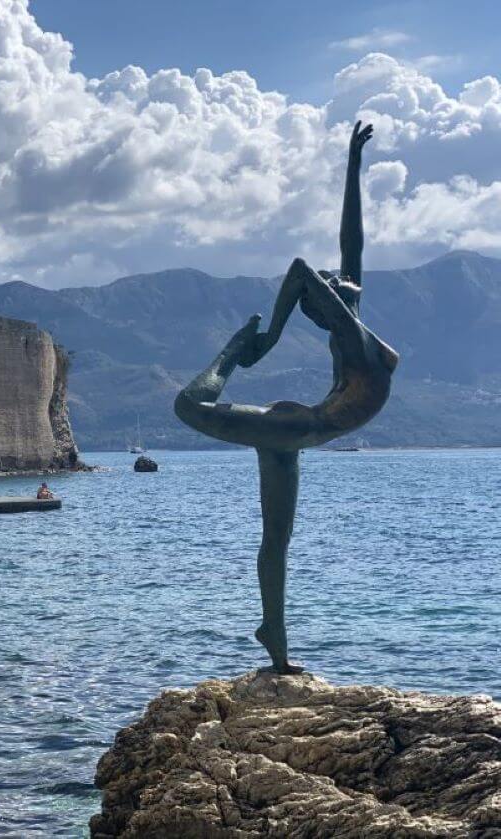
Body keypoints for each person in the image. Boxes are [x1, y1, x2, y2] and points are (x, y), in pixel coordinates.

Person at [173, 121, 399, 675]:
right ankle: (229, 353)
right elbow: (301, 271)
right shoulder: (348, 333)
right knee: (187, 408)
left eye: (339, 282)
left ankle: (273, 635)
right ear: (324, 308)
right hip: (301, 428)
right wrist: (265, 339)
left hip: (303, 429)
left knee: (277, 539)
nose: (340, 279)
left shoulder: (354, 330)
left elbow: (353, 243)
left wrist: (352, 163)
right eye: (333, 286)